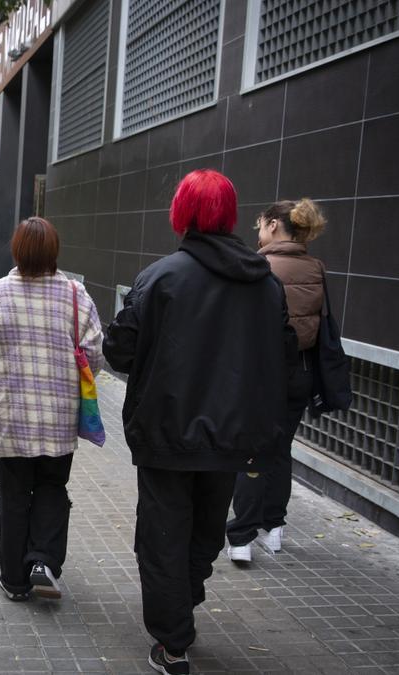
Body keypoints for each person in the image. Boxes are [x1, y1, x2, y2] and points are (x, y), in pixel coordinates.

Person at [103, 170, 297, 675]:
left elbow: (118, 348)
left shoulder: (163, 277)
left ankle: (173, 639)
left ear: (182, 214)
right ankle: (180, 608)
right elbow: (282, 353)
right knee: (206, 531)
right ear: (230, 215)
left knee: (162, 536)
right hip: (233, 438)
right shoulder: (265, 285)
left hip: (167, 434)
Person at [0, 217, 104, 602]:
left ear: (17, 250)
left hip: (11, 415)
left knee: (14, 494)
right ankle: (43, 559)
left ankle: (14, 579)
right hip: (59, 418)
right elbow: (94, 354)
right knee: (52, 486)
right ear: (54, 251)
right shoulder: (76, 295)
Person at [227, 199, 328, 563]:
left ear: (272, 225)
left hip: (262, 374)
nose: (257, 232)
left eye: (260, 224)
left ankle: (241, 537)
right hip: (300, 372)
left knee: (251, 450)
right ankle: (274, 528)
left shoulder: (261, 267)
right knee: (280, 448)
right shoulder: (315, 267)